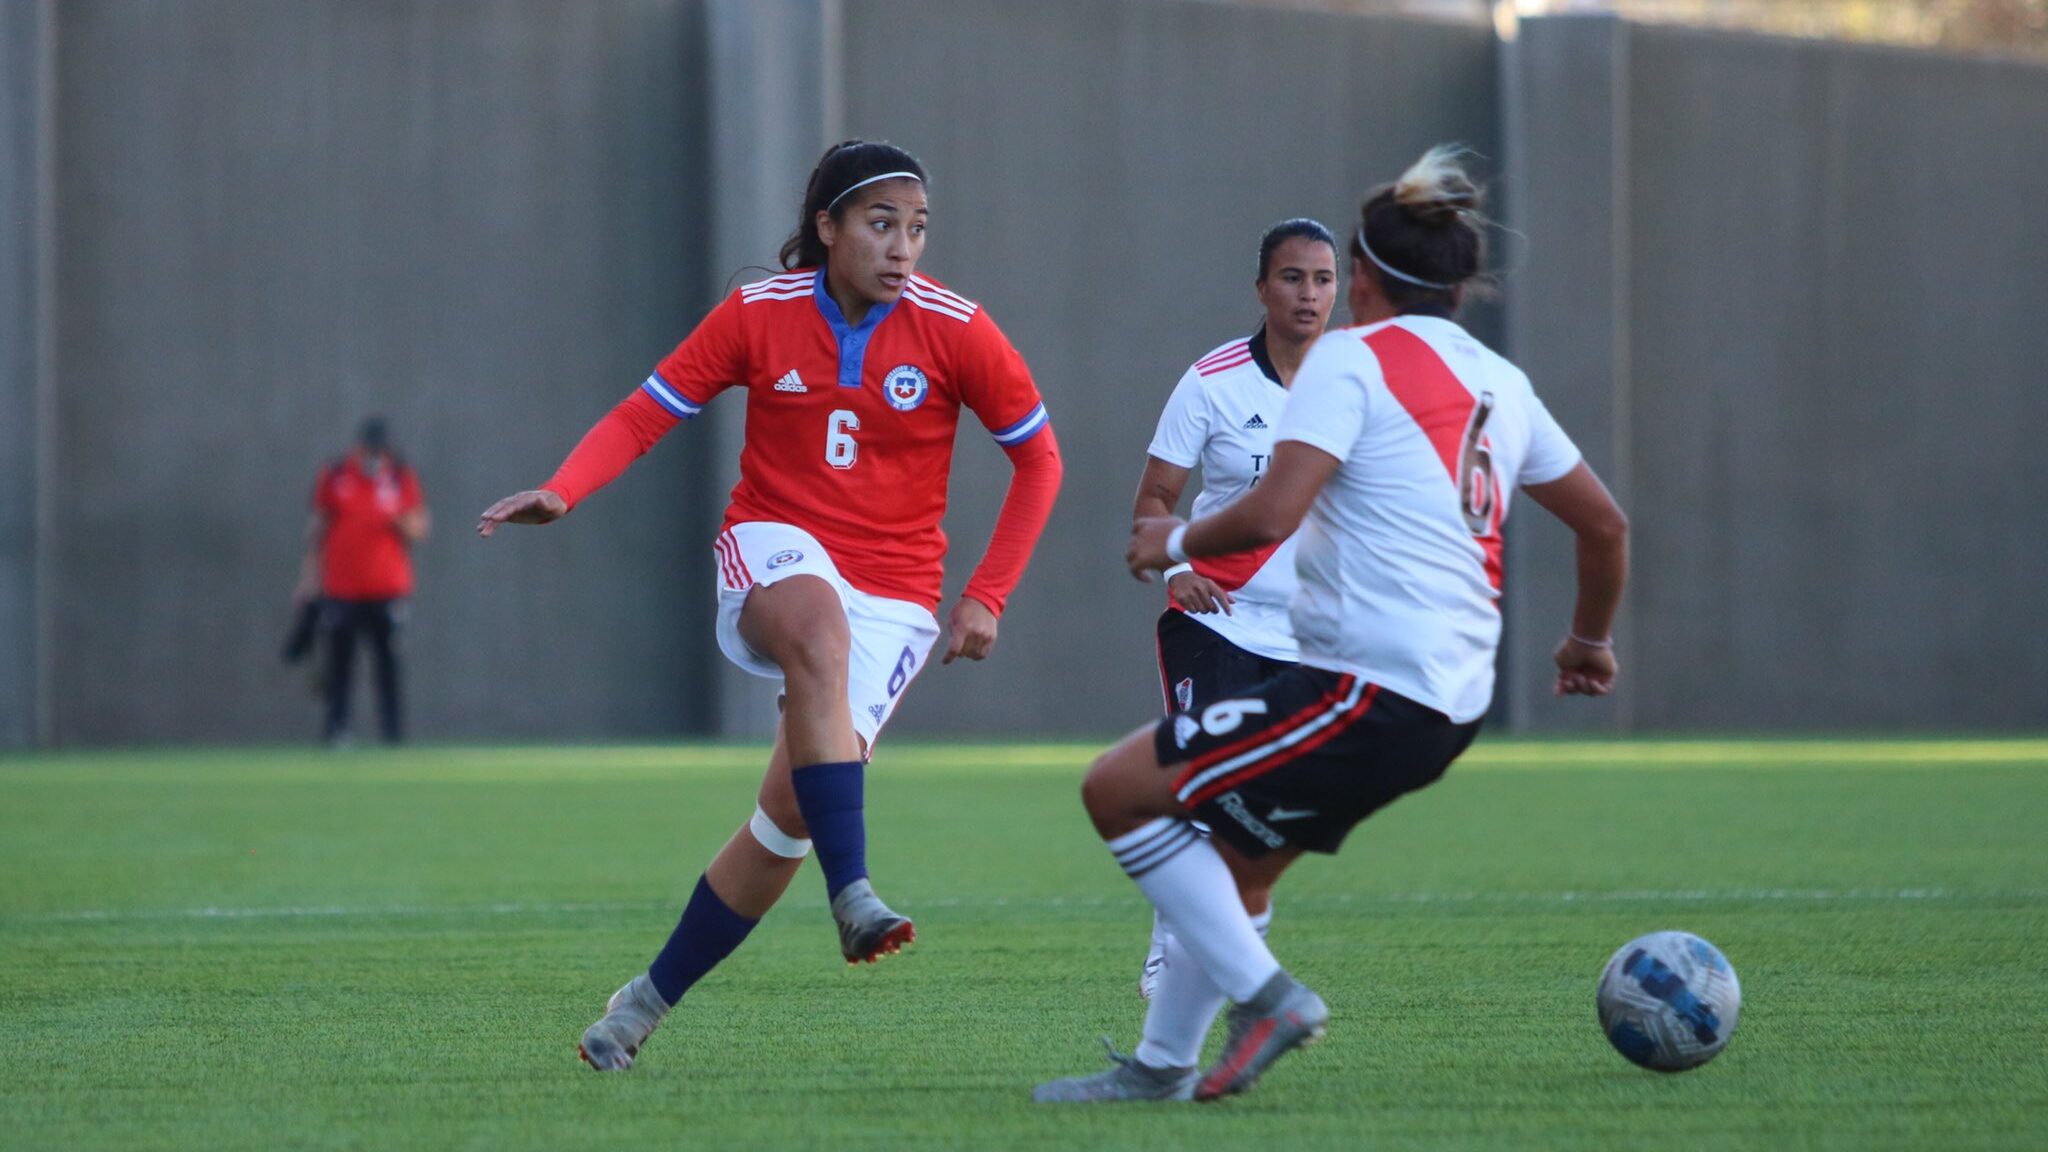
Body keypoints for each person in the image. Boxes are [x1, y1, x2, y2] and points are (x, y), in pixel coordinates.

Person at [1035, 146, 1629, 1103]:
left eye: (1329, 277)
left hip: (1369, 687)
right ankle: (1160, 1068)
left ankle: (1267, 999)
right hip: (1448, 698)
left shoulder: (1350, 359)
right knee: (1237, 867)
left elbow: (1272, 512)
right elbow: (1605, 524)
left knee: (1117, 792)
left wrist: (1171, 540)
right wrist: (1589, 641)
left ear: (1357, 278)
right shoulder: (1499, 380)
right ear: (1462, 286)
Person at [477, 140, 1063, 1073]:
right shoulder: (759, 313)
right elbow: (645, 412)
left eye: (916, 228)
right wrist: (564, 489)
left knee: (786, 817)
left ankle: (639, 1007)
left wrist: (986, 595)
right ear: (826, 229)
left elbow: (1040, 460)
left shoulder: (958, 329)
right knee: (817, 632)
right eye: (881, 224)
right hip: (774, 549)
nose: (903, 246)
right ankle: (856, 892)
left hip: (899, 594)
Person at [1131, 219, 1339, 1003]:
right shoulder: (1212, 382)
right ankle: (1173, 952)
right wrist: (1177, 567)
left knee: (1262, 812)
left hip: (1311, 635)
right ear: (1261, 289)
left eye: (1322, 280)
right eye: (1292, 278)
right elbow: (1155, 499)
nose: (1308, 295)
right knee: (1205, 784)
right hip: (1215, 619)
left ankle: (1229, 954)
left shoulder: (1354, 383)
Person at [296, 416, 429, 745]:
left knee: (388, 665)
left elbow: (419, 528)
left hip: (387, 589)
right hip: (342, 589)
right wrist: (309, 580)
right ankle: (337, 731)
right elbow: (317, 529)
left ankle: (392, 734)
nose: (372, 455)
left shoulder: (399, 477)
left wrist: (394, 515)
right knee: (340, 664)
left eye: (378, 449)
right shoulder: (337, 474)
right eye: (368, 448)